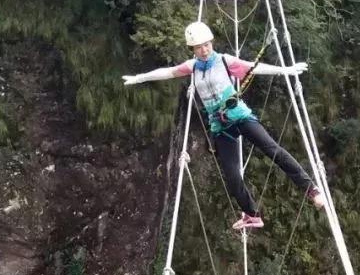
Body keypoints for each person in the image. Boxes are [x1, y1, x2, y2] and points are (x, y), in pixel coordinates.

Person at [123, 21, 324, 232]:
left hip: (240, 116)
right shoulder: (192, 68)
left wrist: (286, 70)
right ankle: (252, 215)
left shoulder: (224, 61)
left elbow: (254, 68)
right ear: (192, 49)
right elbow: (168, 72)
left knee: (272, 150)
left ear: (211, 42)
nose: (204, 50)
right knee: (232, 176)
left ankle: (311, 190)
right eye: (199, 47)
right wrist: (140, 78)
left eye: (207, 44)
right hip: (220, 126)